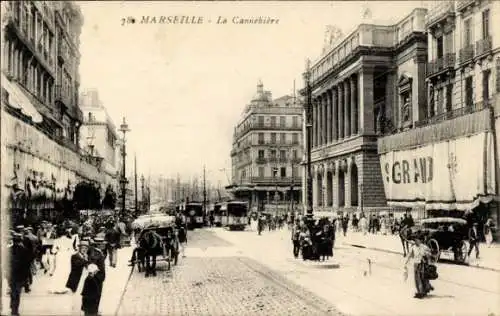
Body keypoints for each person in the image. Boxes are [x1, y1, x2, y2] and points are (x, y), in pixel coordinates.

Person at [403, 232, 434, 298]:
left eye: (417, 240)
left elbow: (430, 254)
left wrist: (427, 255)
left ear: (420, 240)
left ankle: (424, 290)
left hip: (423, 264)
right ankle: (420, 291)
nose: (416, 241)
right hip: (416, 264)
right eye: (415, 240)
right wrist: (405, 263)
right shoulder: (413, 247)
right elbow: (409, 255)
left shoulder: (424, 247)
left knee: (423, 277)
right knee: (417, 278)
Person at [8, 232, 32, 316]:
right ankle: (15, 310)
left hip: (10, 274)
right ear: (20, 241)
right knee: (17, 292)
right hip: (20, 275)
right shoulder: (24, 250)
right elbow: (27, 264)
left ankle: (12, 305)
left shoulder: (8, 249)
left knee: (13, 290)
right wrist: (26, 277)